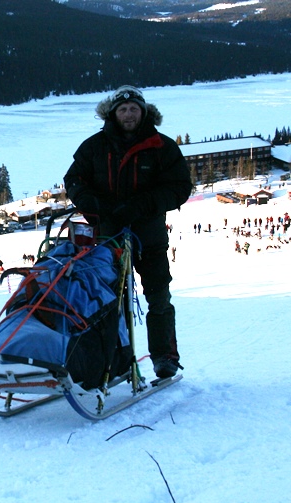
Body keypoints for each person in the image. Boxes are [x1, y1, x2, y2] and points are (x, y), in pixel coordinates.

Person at [63, 85, 192, 379]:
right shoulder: (93, 146)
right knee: (107, 300)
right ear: (113, 114)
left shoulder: (162, 146)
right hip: (107, 237)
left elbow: (180, 187)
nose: (129, 114)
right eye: (123, 109)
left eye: (134, 109)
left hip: (150, 237)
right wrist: (94, 205)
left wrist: (143, 204)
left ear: (144, 113)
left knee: (158, 297)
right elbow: (74, 179)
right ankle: (112, 360)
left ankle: (164, 357)